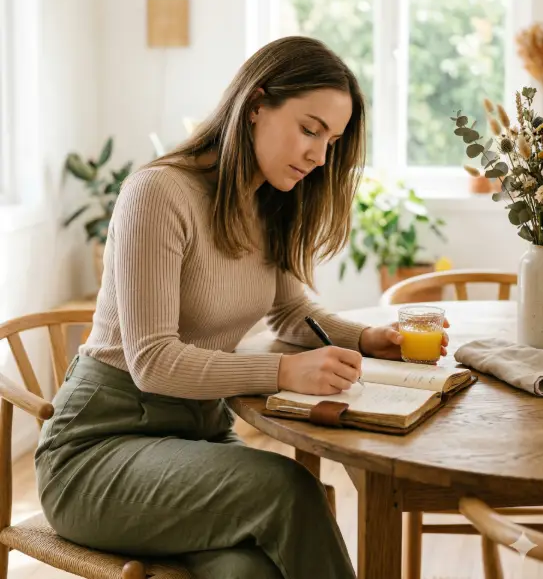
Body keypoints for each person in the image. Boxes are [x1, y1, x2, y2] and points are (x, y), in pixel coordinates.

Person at [35, 36, 448, 579]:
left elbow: (292, 312)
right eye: (310, 129)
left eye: (333, 141)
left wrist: (368, 339)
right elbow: (153, 362)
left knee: (246, 571)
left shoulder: (266, 206)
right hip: (98, 452)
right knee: (287, 488)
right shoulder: (159, 194)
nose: (319, 156)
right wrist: (282, 370)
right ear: (256, 106)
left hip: (196, 441)